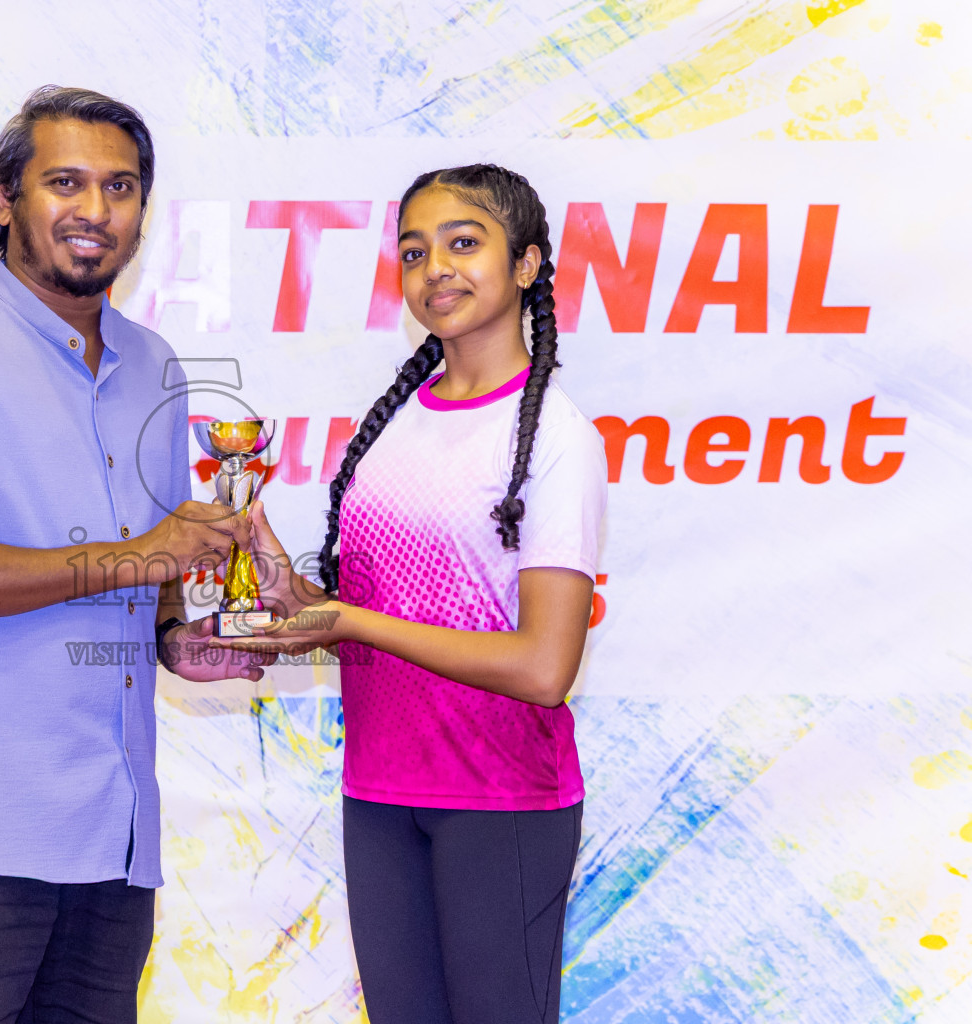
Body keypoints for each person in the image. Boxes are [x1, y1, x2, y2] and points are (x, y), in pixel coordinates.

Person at [0, 85, 271, 1024]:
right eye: (66, 183)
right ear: (5, 198)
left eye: (120, 187)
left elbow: (157, 588)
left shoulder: (157, 368)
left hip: (113, 845)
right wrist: (136, 560)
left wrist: (196, 642)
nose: (95, 210)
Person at [215, 164, 607, 1024]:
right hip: (380, 794)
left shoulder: (558, 439)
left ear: (529, 265)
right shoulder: (392, 424)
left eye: (465, 243)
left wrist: (348, 618)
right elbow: (371, 626)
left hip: (499, 803)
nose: (436, 268)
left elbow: (545, 667)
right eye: (415, 251)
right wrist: (285, 587)